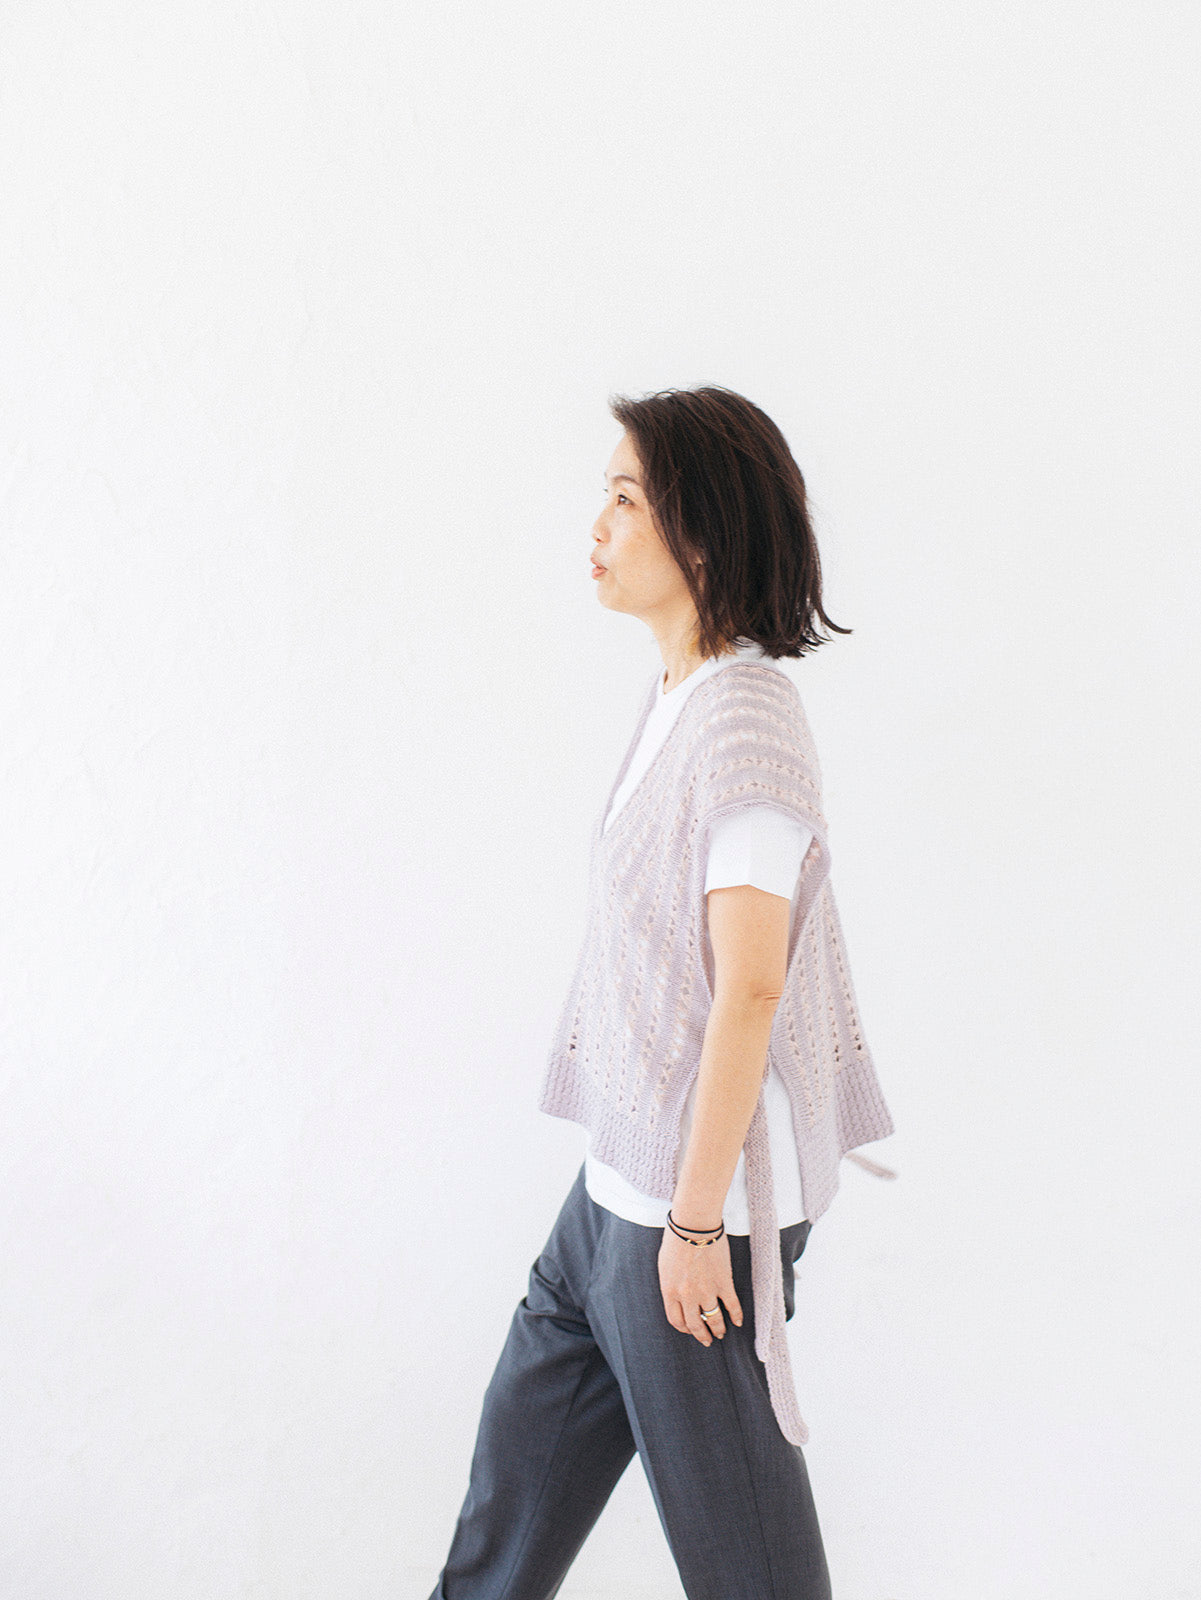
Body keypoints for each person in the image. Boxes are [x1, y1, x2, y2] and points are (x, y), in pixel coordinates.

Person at [426, 385, 897, 1600]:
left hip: (690, 1224)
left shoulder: (744, 721)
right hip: (607, 1202)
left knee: (755, 1582)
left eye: (627, 498)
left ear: (700, 531)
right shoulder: (678, 695)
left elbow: (751, 986)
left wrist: (692, 1230)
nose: (598, 522)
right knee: (495, 1551)